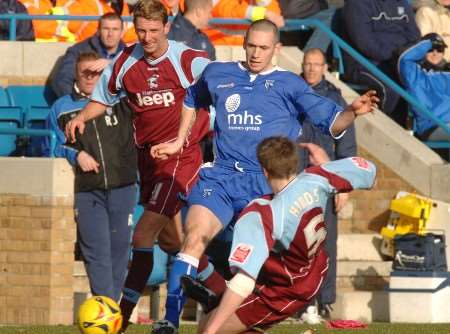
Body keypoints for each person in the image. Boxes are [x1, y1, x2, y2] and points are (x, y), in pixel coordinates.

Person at [150, 19, 378, 334]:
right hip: (223, 177)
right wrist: (179, 140)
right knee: (193, 239)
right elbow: (191, 98)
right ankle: (169, 322)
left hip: (265, 184)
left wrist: (352, 112)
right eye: (251, 46)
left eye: (263, 48)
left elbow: (334, 123)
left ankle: (220, 298)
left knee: (251, 268)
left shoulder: (290, 85)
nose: (256, 53)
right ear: (244, 43)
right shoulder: (219, 73)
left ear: (277, 49)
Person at [64, 0, 211, 332]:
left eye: (153, 31)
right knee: (173, 242)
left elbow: (221, 78)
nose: (146, 38)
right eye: (141, 30)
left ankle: (121, 318)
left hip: (181, 155)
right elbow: (103, 96)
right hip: (149, 160)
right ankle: (220, 292)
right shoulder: (126, 62)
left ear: (167, 28)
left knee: (143, 233)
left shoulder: (186, 58)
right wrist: (81, 117)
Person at [185, 136, 376, 334]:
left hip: (285, 289)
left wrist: (210, 332)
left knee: (208, 326)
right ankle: (216, 295)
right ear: (294, 162)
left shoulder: (264, 213)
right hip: (314, 268)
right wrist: (326, 165)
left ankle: (216, 294)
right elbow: (369, 171)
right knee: (230, 319)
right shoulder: (317, 178)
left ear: (265, 171)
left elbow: (244, 282)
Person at [43, 51, 138, 301]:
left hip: (123, 185)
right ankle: (105, 305)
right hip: (87, 190)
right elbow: (52, 146)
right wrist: (77, 155)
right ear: (76, 73)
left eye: (95, 72)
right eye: (85, 72)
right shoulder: (62, 107)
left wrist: (113, 64)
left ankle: (111, 308)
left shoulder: (121, 99)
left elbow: (140, 75)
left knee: (119, 250)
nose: (90, 77)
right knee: (96, 250)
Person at [300, 48, 357, 319]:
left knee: (325, 243)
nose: (311, 69)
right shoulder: (290, 91)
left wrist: (344, 184)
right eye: (307, 64)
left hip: (324, 182)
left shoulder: (334, 98)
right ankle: (298, 302)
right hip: (293, 180)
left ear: (324, 67)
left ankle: (324, 300)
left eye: (316, 64)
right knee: (295, 243)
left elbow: (346, 146)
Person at [342, 0, 420, 125]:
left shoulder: (402, 3)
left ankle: (421, 130)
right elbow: (366, 44)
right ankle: (387, 129)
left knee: (422, 85)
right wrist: (396, 53)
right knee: (390, 89)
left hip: (398, 60)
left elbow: (414, 36)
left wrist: (400, 55)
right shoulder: (356, 4)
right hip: (363, 62)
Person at [398, 33, 450, 160]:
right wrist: (428, 43)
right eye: (431, 50)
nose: (435, 53)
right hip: (432, 126)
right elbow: (404, 60)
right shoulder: (416, 75)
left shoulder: (447, 74)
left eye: (440, 49)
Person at [52, 12, 126, 98]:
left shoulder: (129, 54)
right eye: (106, 29)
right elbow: (62, 81)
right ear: (98, 31)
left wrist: (113, 64)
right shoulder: (78, 51)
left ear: (122, 32)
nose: (110, 34)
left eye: (115, 29)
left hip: (116, 106)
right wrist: (76, 105)